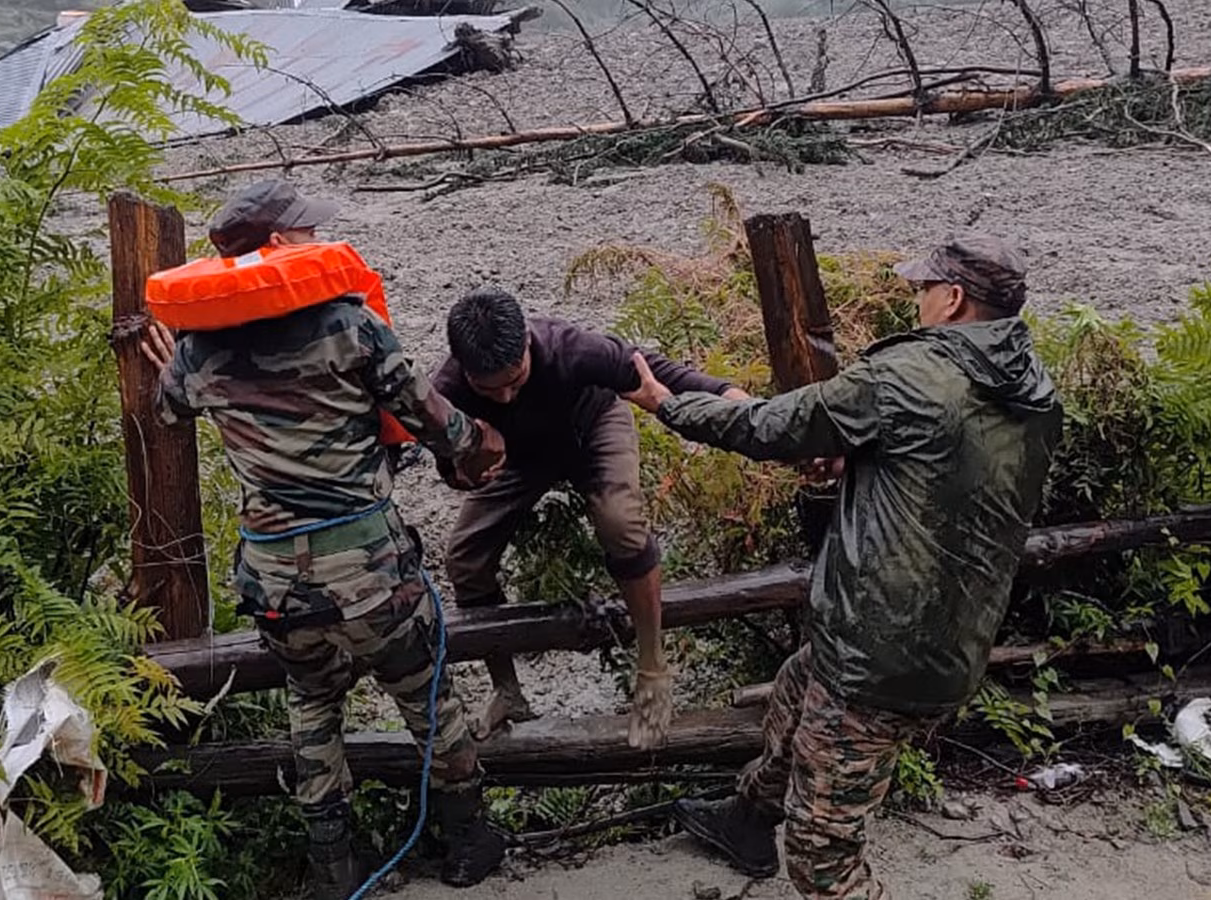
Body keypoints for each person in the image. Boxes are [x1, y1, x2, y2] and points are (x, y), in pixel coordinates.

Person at [622, 234, 1062, 899]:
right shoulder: (1033, 389)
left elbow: (772, 426)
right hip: (948, 640)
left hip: (878, 654)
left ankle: (791, 843)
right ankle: (745, 820)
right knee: (799, 693)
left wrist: (667, 404)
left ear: (953, 299)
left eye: (922, 290)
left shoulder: (909, 377)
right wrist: (863, 455)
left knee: (823, 861)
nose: (915, 301)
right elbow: (948, 472)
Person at [140, 180, 509, 899]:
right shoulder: (349, 325)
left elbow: (168, 411)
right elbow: (434, 421)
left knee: (311, 707)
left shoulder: (199, 349)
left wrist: (176, 357)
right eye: (307, 232)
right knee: (429, 702)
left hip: (278, 587)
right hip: (372, 575)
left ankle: (335, 867)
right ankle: (467, 843)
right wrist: (482, 441)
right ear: (279, 244)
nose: (318, 241)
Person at [432, 287, 752, 749]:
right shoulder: (446, 391)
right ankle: (507, 690)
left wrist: (733, 399)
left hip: (594, 428)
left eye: (515, 380)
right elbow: (450, 471)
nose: (503, 397)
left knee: (619, 520)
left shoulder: (571, 349)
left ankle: (652, 669)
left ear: (526, 342)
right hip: (520, 459)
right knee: (464, 557)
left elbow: (657, 372)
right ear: (464, 368)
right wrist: (471, 468)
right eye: (489, 389)